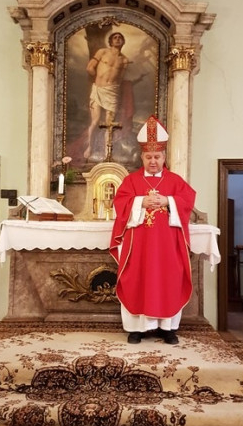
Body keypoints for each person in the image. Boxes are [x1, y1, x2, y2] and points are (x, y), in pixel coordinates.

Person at [109, 115, 196, 345]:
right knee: (137, 281)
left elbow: (188, 200)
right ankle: (136, 329)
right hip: (139, 247)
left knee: (168, 281)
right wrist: (140, 202)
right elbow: (119, 204)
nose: (153, 161)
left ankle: (168, 329)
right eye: (149, 157)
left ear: (164, 157)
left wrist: (168, 201)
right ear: (142, 157)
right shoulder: (131, 181)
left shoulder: (175, 181)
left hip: (168, 246)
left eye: (157, 156)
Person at [84, 32, 129, 159]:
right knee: (95, 120)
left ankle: (107, 153)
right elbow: (89, 67)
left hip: (112, 92)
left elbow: (120, 78)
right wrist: (99, 79)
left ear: (123, 42)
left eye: (120, 38)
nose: (117, 39)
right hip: (98, 89)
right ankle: (89, 147)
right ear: (110, 41)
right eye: (115, 37)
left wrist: (113, 86)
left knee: (110, 124)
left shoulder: (124, 60)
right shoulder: (102, 52)